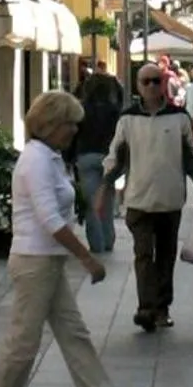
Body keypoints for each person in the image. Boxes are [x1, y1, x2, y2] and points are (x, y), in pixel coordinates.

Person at [0, 91, 153, 387]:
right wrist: (86, 257)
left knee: (75, 336)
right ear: (51, 124)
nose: (74, 132)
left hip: (46, 262)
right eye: (70, 126)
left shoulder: (48, 157)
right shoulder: (37, 161)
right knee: (23, 342)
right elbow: (49, 218)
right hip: (34, 262)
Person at [97, 63, 193, 332]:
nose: (152, 86)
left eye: (156, 81)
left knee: (165, 255)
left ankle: (161, 307)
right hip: (138, 199)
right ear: (139, 86)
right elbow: (115, 156)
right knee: (143, 254)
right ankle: (146, 307)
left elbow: (191, 154)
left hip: (170, 199)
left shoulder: (179, 117)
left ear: (164, 83)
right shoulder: (128, 119)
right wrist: (104, 188)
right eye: (147, 82)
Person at [73, 69, 125, 255]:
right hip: (108, 157)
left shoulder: (81, 109)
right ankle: (109, 239)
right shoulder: (115, 111)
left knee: (90, 201)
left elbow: (73, 135)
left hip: (86, 156)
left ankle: (97, 243)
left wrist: (69, 159)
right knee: (107, 199)